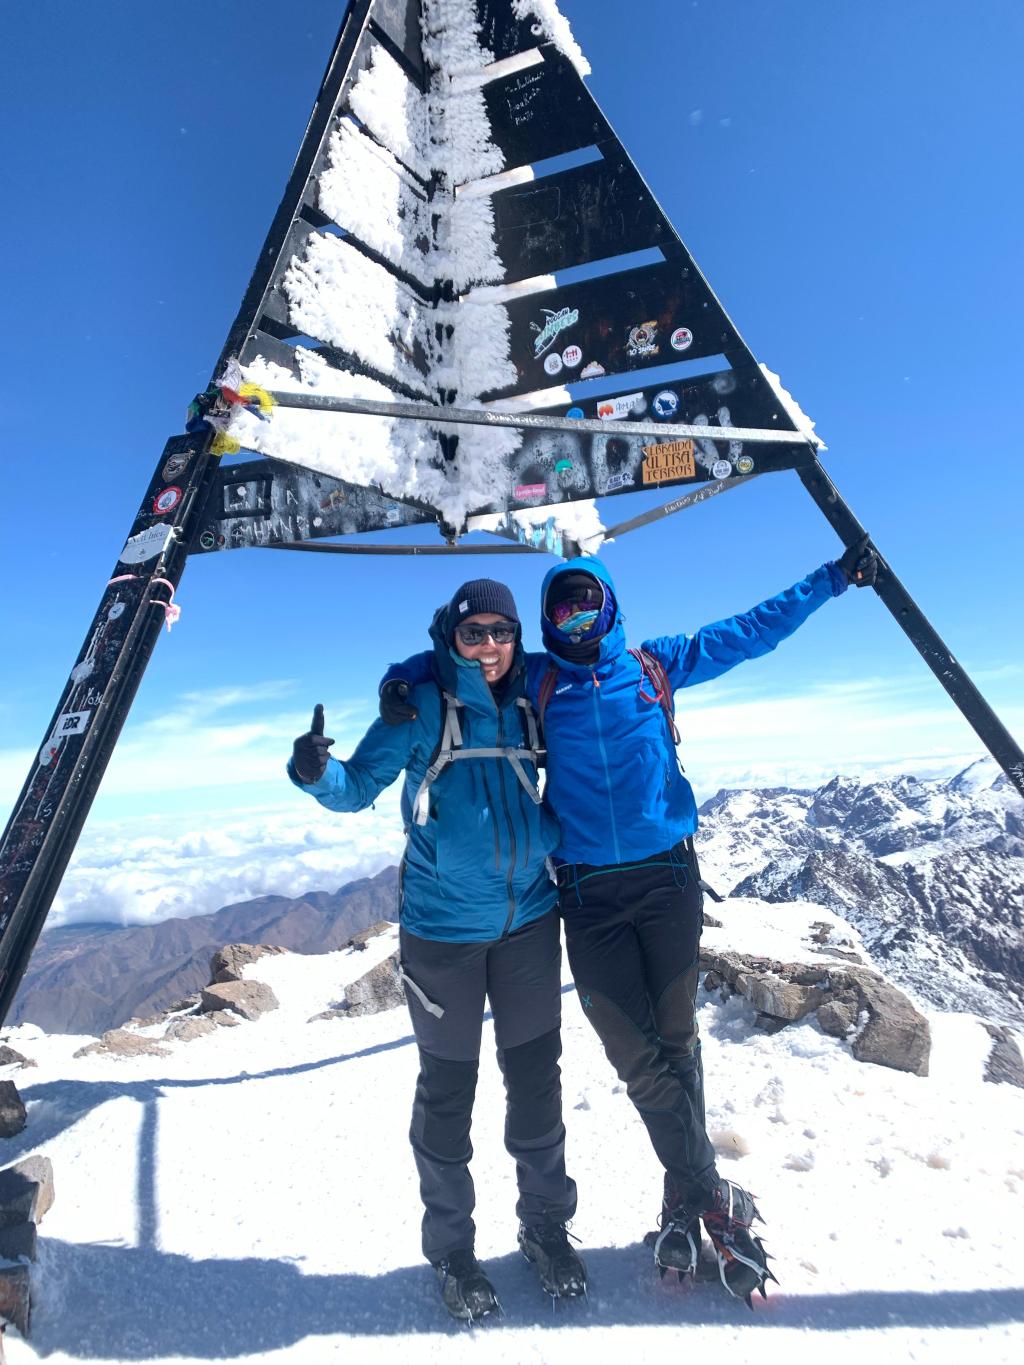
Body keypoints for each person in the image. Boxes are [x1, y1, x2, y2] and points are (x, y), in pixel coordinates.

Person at [379, 538, 879, 1303]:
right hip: (585, 893)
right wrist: (400, 678)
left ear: (610, 604)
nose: (576, 617)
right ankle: (704, 1183)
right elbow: (460, 666)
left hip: (669, 879)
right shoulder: (538, 678)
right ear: (547, 620)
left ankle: (687, 1189)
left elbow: (752, 629)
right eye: (561, 606)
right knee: (631, 1046)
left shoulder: (654, 666)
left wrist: (834, 578)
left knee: (677, 1036)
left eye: (587, 601)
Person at [288, 580, 584, 1323]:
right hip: (443, 933)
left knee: (537, 1086)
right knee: (448, 1097)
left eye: (502, 632)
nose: (488, 646)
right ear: (451, 635)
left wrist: (551, 836)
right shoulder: (419, 705)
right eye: (473, 632)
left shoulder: (532, 700)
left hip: (527, 924)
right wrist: (314, 769)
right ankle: (453, 1250)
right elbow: (358, 788)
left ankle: (544, 1225)